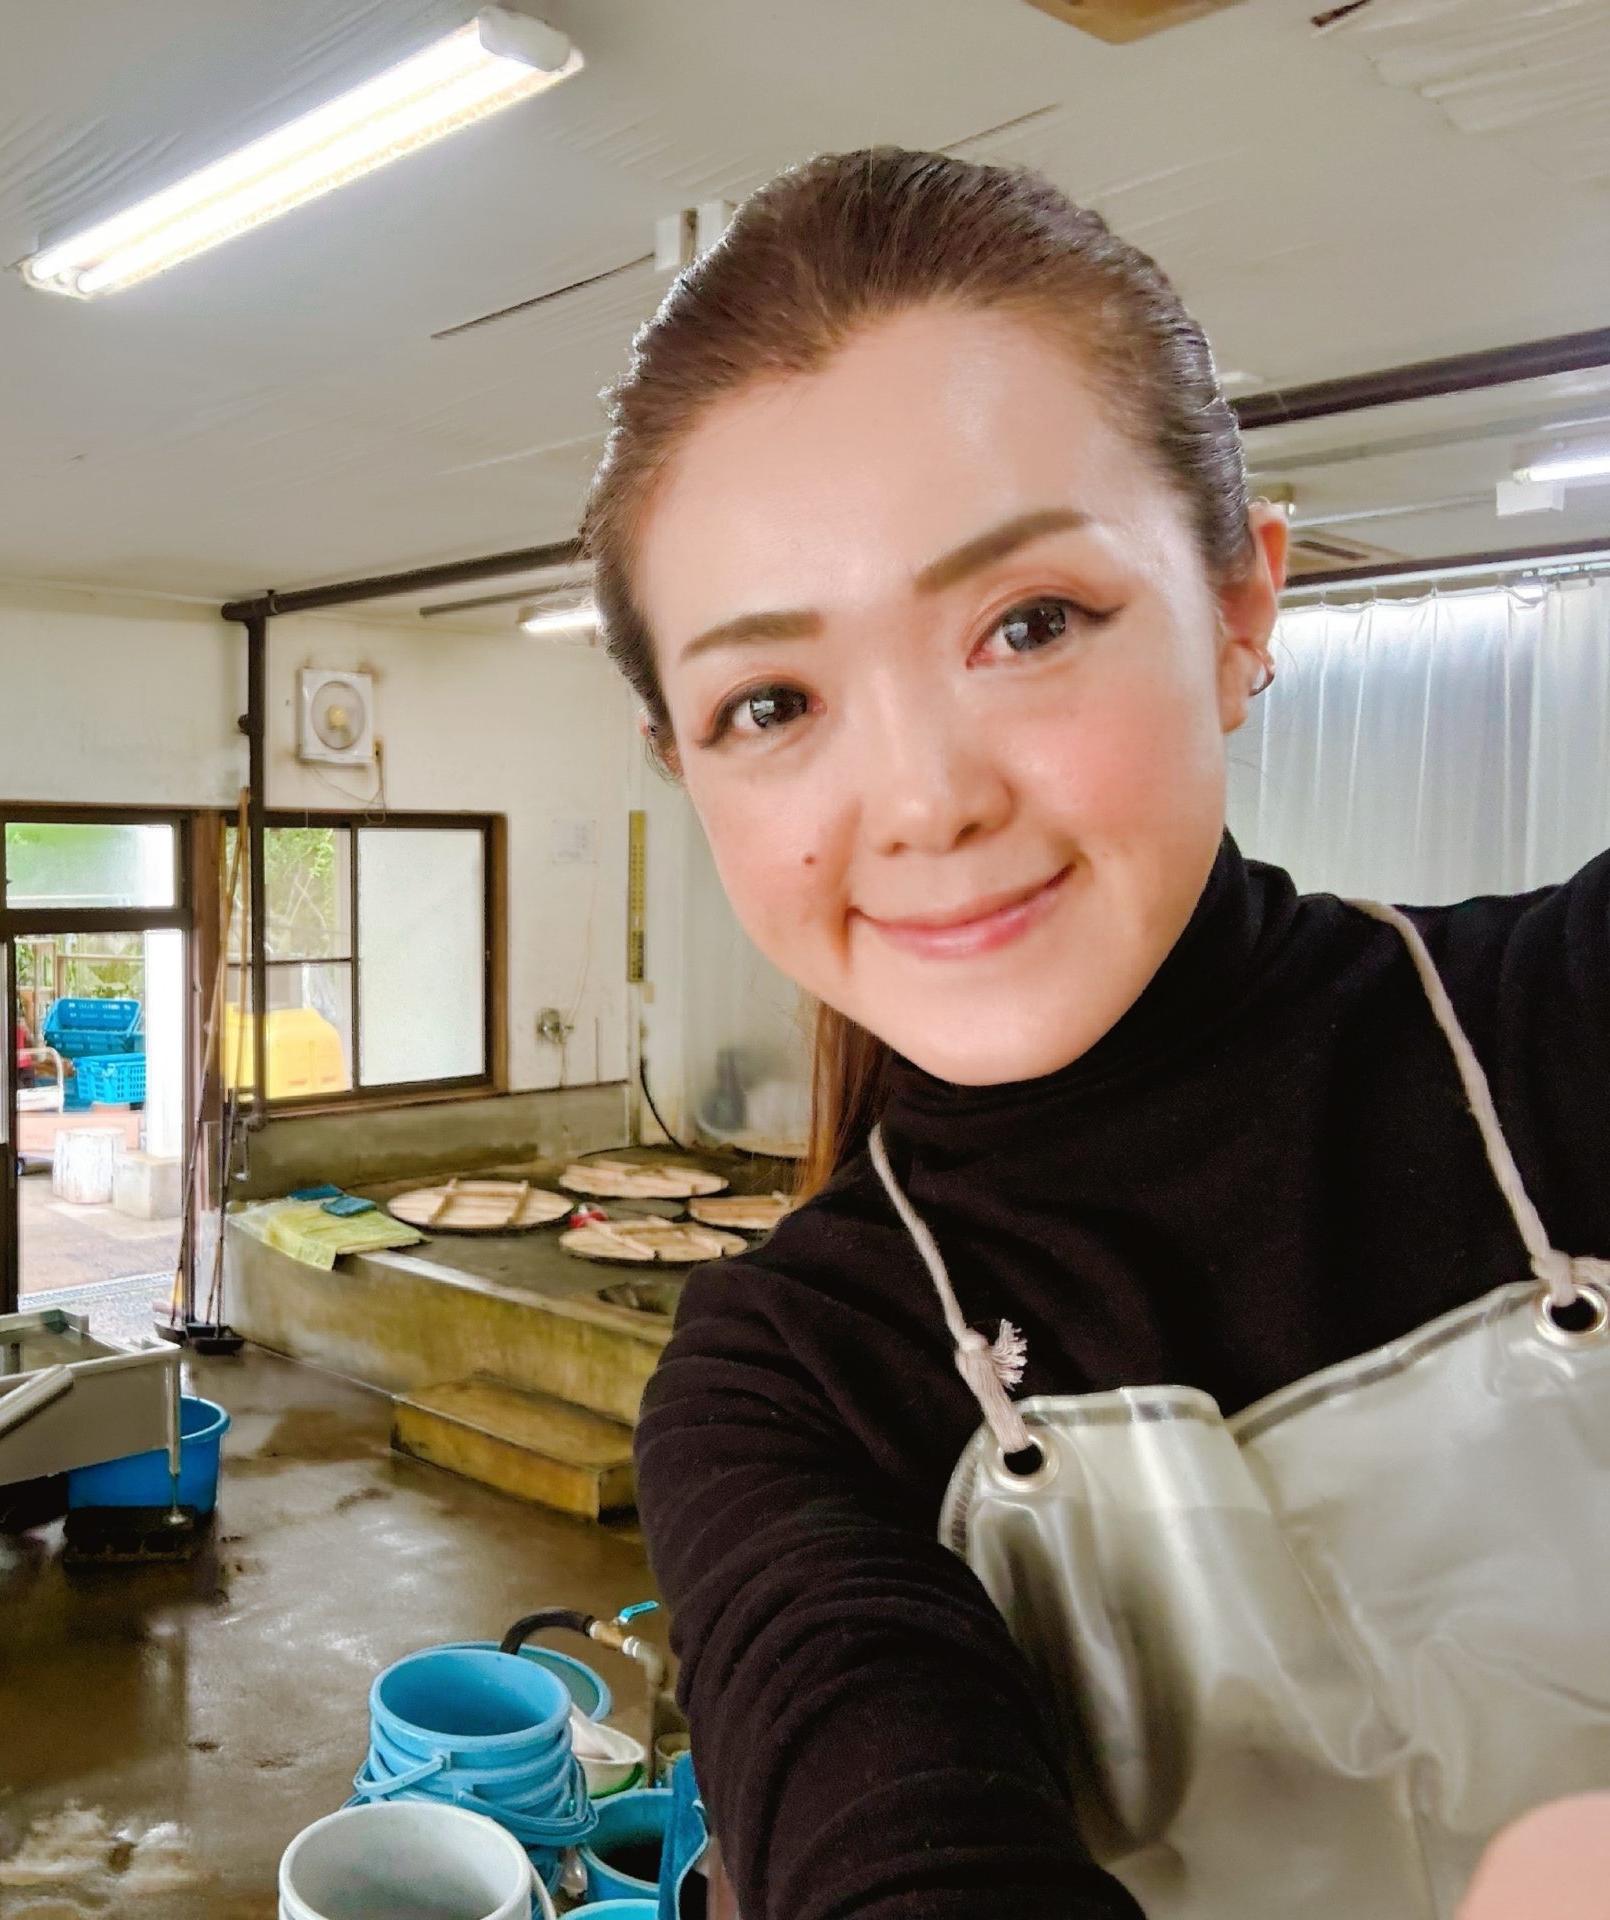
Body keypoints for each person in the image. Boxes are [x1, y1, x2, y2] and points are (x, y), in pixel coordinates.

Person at [594, 148, 1610, 1919]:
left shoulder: (1569, 1027)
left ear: (1240, 610)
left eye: (1030, 623)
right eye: (772, 702)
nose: (924, 800)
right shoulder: (788, 1386)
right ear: (689, 770)